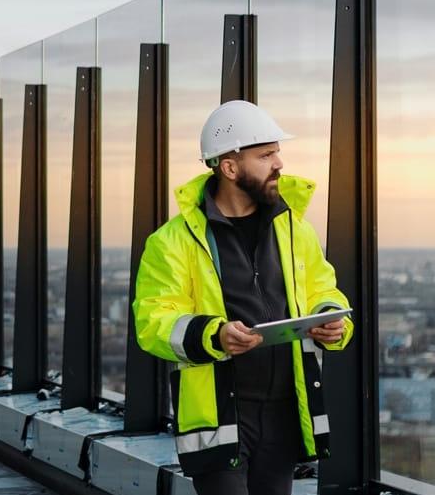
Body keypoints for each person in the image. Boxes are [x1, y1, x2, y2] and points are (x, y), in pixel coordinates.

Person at [132, 100, 354, 495]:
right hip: (219, 414)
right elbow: (154, 322)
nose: (279, 164)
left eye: (277, 152)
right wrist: (214, 336)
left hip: (286, 409)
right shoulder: (171, 242)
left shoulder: (293, 229)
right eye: (266, 154)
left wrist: (331, 317)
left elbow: (324, 289)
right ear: (229, 167)